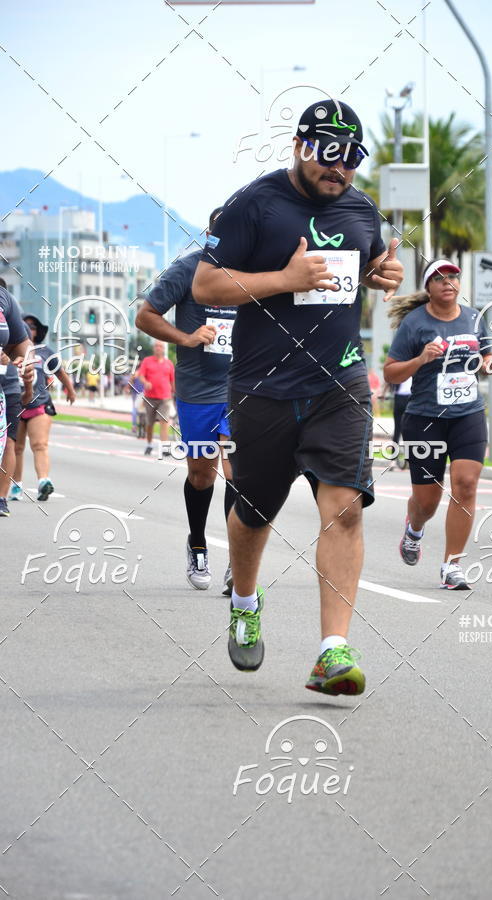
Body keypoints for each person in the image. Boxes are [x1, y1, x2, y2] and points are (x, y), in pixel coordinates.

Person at [192, 99, 403, 695]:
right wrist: (284, 280)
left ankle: (332, 652)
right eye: (329, 153)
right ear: (301, 145)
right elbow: (205, 283)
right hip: (261, 388)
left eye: (352, 157)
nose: (340, 168)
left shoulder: (363, 210)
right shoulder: (253, 205)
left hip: (338, 383)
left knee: (345, 507)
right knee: (253, 512)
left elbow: (364, 265)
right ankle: (244, 599)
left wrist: (380, 274)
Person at [135, 206, 237, 594]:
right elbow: (146, 316)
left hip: (242, 389)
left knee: (239, 477)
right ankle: (197, 543)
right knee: (201, 474)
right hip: (198, 391)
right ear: (212, 233)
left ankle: (237, 563)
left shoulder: (252, 274)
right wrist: (187, 338)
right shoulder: (188, 269)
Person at [383, 259, 492, 590]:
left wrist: (490, 364)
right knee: (427, 502)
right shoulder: (414, 323)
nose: (448, 282)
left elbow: (487, 355)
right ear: (428, 287)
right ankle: (414, 528)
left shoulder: (475, 317)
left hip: (468, 414)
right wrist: (420, 360)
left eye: (453, 277)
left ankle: (452, 565)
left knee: (466, 485)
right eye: (440, 278)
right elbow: (391, 372)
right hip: (425, 419)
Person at [12, 314, 76, 502]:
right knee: (16, 448)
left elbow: (60, 372)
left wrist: (70, 390)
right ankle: (16, 486)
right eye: (25, 325)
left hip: (39, 405)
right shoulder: (8, 351)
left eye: (32, 326)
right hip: (15, 406)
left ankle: (43, 482)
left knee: (39, 444)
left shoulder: (44, 351)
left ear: (37, 331)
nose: (29, 329)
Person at [0, 281, 34, 517]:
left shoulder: (4, 298)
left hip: (5, 385)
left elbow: (21, 342)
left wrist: (27, 359)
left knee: (8, 441)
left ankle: (1, 497)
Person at [134, 341, 175, 455]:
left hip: (165, 398)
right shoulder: (147, 361)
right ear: (153, 348)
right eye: (156, 346)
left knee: (164, 421)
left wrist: (175, 394)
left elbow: (172, 380)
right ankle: (149, 444)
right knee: (149, 423)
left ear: (163, 349)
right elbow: (141, 375)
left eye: (160, 346)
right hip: (150, 397)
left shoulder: (169, 364)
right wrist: (145, 382)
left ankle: (165, 447)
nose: (158, 348)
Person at [392, 376, 412, 469]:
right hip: (399, 397)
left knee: (408, 431)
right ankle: (393, 458)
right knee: (397, 430)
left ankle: (409, 458)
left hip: (410, 398)